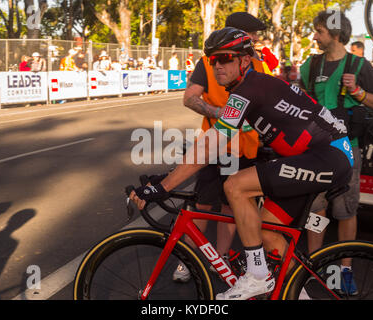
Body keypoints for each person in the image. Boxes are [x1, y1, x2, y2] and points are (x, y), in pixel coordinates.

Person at [130, 27, 354, 300]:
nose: (217, 66)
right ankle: (300, 294)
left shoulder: (251, 86)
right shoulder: (246, 90)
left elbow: (212, 143)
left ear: (244, 61)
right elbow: (219, 145)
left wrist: (163, 187)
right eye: (213, 60)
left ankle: (257, 275)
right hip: (314, 157)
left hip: (328, 156)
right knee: (268, 232)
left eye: (225, 58)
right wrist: (170, 174)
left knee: (235, 186)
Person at [171, 13, 272, 284]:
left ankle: (221, 258)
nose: (257, 39)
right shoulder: (208, 61)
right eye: (253, 34)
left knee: (231, 208)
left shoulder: (260, 66)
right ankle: (187, 259)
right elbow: (190, 98)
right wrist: (222, 113)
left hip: (245, 150)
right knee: (201, 203)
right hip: (215, 145)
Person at [300, 10, 373, 296]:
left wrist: (358, 92)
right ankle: (314, 265)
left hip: (348, 149)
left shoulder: (360, 65)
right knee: (316, 210)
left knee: (346, 210)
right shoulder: (309, 66)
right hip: (314, 150)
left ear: (335, 33)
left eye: (319, 31)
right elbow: (299, 102)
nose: (315, 36)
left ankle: (345, 270)